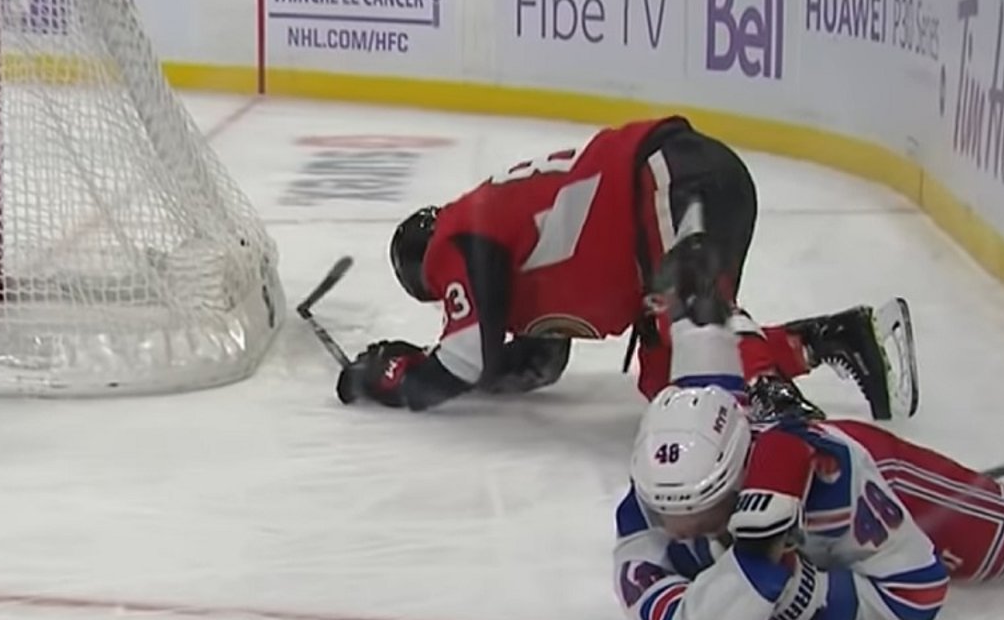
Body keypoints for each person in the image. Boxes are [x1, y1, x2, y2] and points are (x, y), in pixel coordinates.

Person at [612, 235, 1004, 620]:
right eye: (663, 509)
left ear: (735, 480)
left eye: (696, 509)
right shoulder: (646, 508)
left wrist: (790, 589)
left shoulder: (836, 479)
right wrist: (779, 579)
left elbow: (916, 592)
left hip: (886, 480)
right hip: (802, 495)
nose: (675, 528)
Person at [333, 115, 918, 419]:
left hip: (665, 179)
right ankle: (838, 337)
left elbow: (466, 357)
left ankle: (787, 429)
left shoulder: (457, 237)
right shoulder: (505, 244)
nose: (450, 299)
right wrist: (436, 363)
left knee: (697, 337)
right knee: (672, 380)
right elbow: (537, 363)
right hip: (681, 180)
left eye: (442, 296)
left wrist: (385, 376)